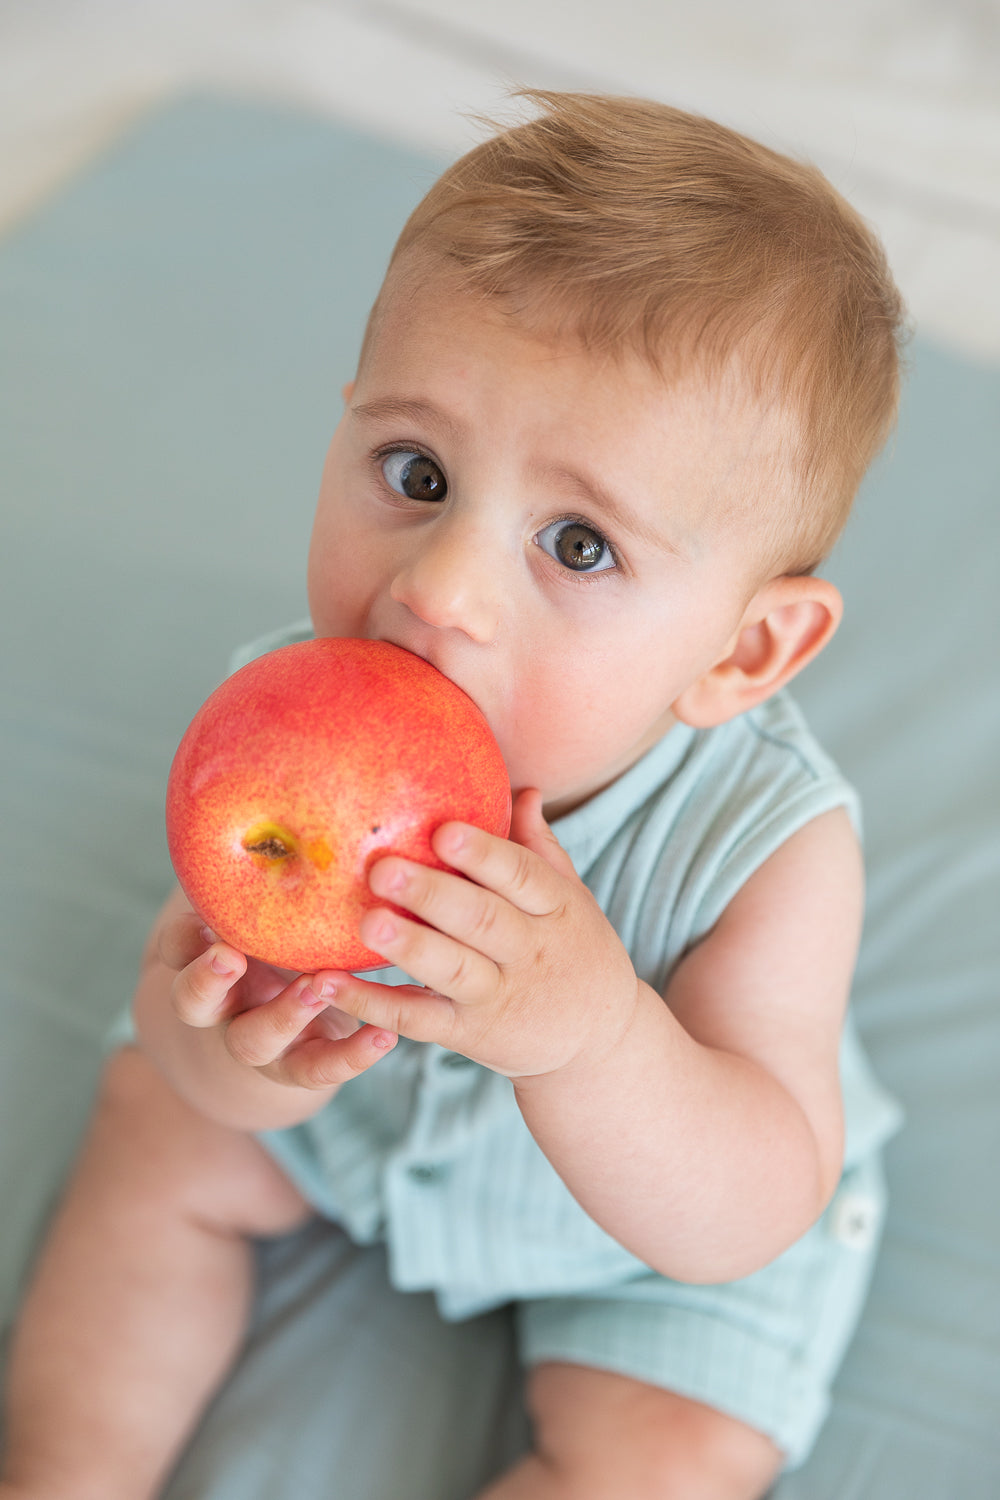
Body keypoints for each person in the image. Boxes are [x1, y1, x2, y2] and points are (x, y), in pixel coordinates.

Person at [0, 91, 907, 1499]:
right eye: (415, 473)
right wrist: (234, 1056)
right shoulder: (284, 721)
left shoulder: (767, 849)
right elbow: (198, 1049)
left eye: (578, 546)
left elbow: (747, 1207)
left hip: (638, 1241)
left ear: (742, 652)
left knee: (672, 1456)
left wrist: (591, 1036)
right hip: (350, 1122)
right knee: (155, 1125)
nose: (438, 589)